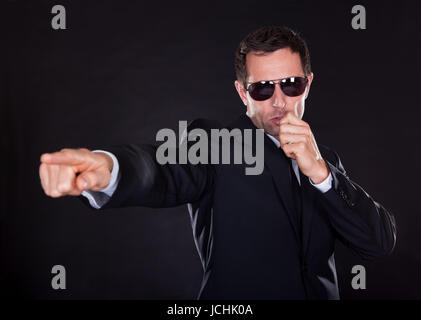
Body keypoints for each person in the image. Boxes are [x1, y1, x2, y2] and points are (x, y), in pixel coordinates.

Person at [39, 26, 396, 299]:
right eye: (261, 88)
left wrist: (319, 172)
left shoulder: (326, 161)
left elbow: (377, 243)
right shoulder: (214, 144)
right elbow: (162, 169)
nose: (278, 101)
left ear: (308, 85)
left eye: (290, 84)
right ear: (243, 93)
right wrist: (111, 168)